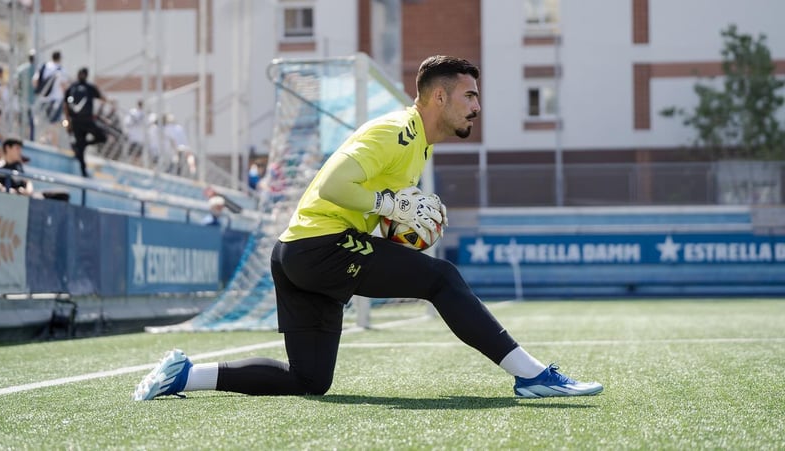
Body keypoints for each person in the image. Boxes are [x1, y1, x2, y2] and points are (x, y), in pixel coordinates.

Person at [134, 55, 603, 401]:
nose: (477, 106)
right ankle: (532, 375)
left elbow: (369, 208)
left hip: (299, 252)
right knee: (441, 278)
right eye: (470, 95)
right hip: (320, 246)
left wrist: (397, 222)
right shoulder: (398, 131)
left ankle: (185, 374)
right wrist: (393, 205)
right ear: (439, 97)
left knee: (308, 380)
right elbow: (334, 185)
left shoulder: (419, 146)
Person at [63, 67, 108, 177]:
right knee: (100, 138)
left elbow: (66, 106)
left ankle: (82, 147)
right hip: (86, 121)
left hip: (77, 121)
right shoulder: (88, 87)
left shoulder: (73, 87)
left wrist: (68, 120)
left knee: (82, 146)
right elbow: (103, 99)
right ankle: (83, 171)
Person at [33, 50, 68, 129]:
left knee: (43, 123)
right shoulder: (60, 69)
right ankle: (52, 136)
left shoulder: (44, 67)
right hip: (56, 100)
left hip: (43, 99)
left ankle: (45, 136)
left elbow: (35, 82)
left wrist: (41, 91)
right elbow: (64, 86)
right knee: (54, 123)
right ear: (59, 58)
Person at [15, 51, 37, 140]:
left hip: (22, 100)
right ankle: (29, 139)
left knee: (20, 120)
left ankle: (19, 137)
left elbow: (16, 84)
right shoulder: (37, 70)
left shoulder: (21, 69)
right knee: (31, 122)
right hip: (33, 102)